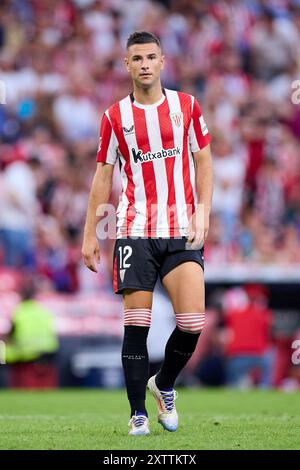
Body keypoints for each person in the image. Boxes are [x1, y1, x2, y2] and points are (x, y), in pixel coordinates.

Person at [82, 31, 213, 435]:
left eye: (150, 57)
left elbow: (203, 161)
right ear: (126, 64)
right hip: (135, 230)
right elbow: (103, 177)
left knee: (192, 323)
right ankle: (138, 412)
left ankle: (164, 384)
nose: (143, 64)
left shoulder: (186, 106)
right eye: (136, 58)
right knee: (137, 324)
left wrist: (202, 212)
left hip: (180, 228)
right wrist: (90, 234)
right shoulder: (114, 117)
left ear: (162, 61)